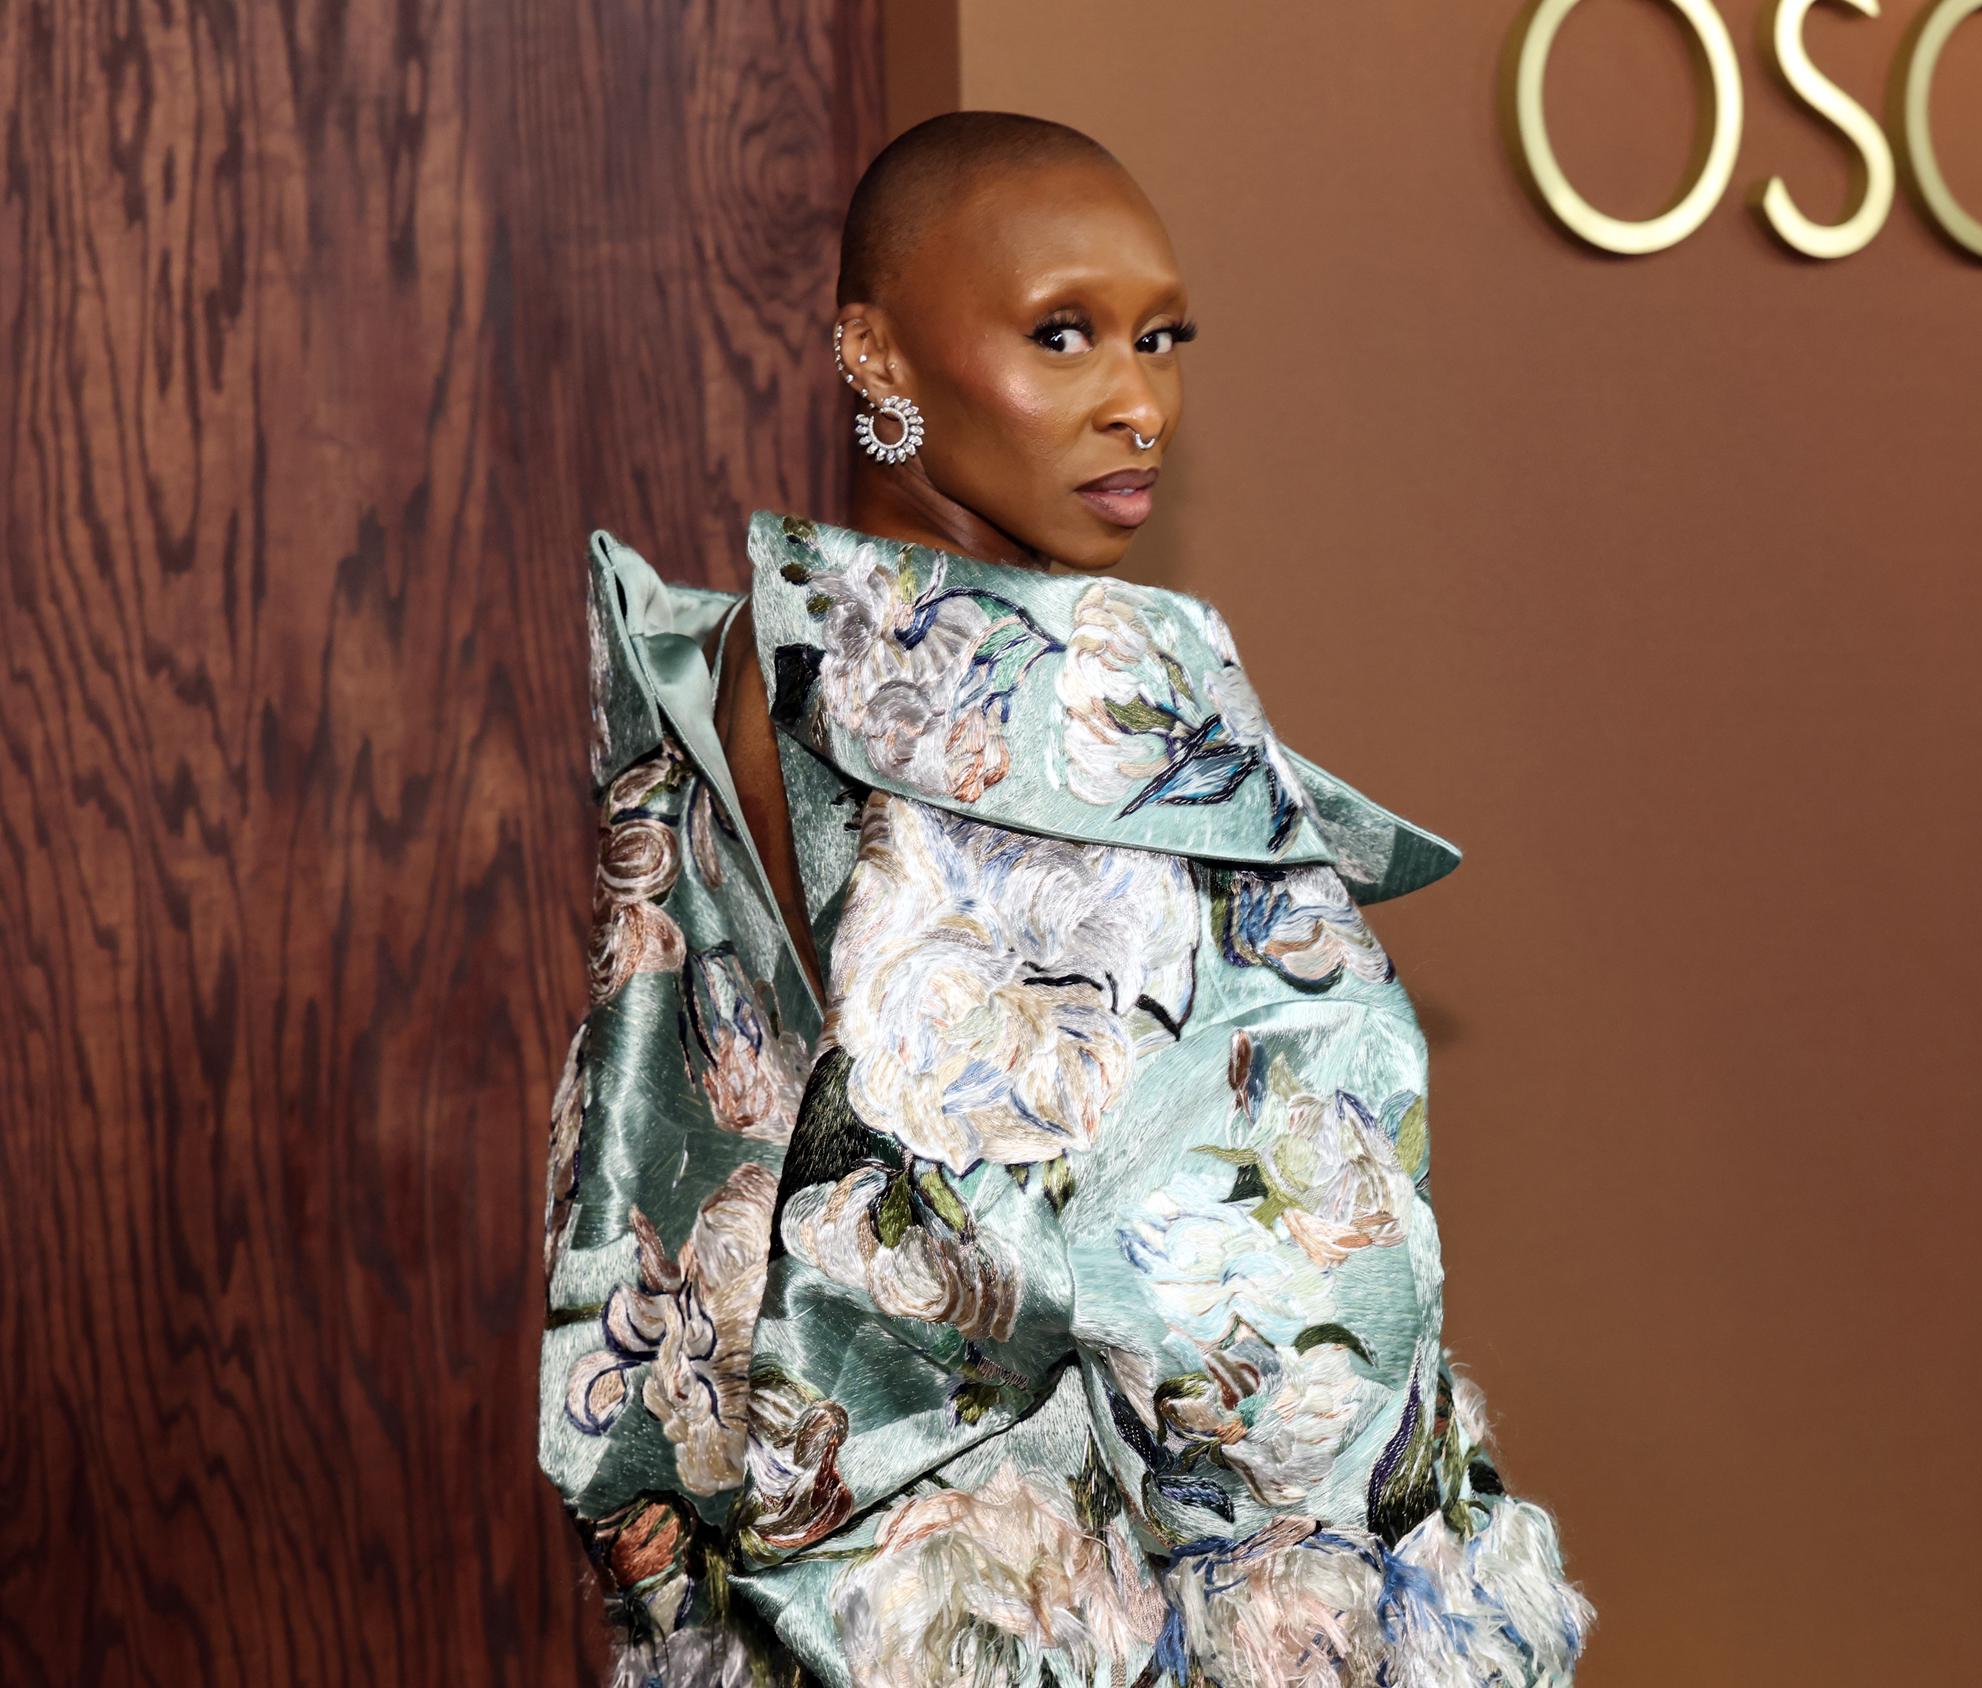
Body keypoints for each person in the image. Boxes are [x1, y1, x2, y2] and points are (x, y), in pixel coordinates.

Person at [537, 110, 1597, 1688]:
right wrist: (1403, 1608)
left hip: (795, 1609)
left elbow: (647, 1175)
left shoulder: (738, 676)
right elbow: (1257, 1270)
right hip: (1080, 1616)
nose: (1138, 402)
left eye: (1162, 337)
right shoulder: (1077, 722)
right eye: (1063, 335)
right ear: (878, 358)